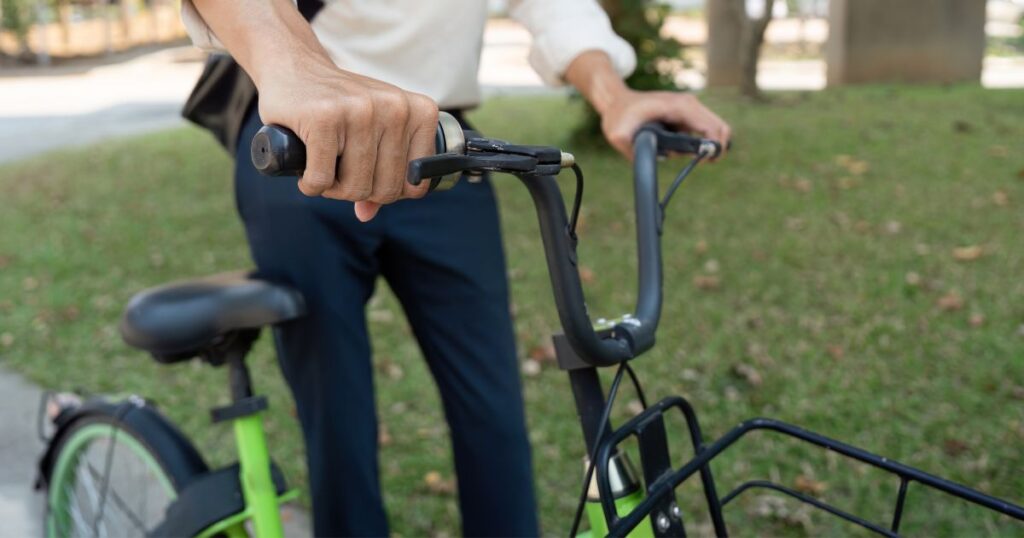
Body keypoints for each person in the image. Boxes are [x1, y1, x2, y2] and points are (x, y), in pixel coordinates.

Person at [182, 1, 731, 535]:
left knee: (491, 405)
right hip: (305, 146)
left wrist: (614, 96)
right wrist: (294, 65)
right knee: (335, 413)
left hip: (444, 146)